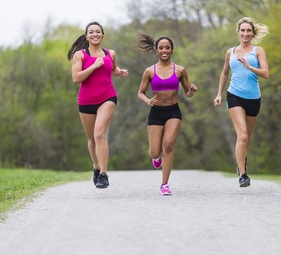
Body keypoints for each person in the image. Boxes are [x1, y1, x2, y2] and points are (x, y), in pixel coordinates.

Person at [67, 22, 129, 189]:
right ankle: (95, 166)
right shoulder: (80, 55)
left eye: (98, 31)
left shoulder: (110, 53)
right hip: (86, 101)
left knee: (99, 133)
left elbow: (112, 70)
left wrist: (120, 72)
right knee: (91, 139)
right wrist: (94, 66)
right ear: (86, 36)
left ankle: (103, 174)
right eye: (91, 32)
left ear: (102, 35)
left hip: (107, 97)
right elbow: (76, 78)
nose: (95, 34)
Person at [136, 34, 197, 195]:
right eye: (161, 47)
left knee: (168, 145)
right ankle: (157, 158)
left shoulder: (180, 70)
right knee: (155, 151)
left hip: (173, 111)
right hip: (155, 113)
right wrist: (147, 100)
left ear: (172, 50)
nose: (164, 50)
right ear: (156, 50)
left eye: (167, 47)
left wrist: (191, 90)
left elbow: (188, 93)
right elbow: (140, 93)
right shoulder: (149, 71)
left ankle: (164, 184)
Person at [214, 17, 269, 187]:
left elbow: (266, 74)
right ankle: (243, 175)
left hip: (253, 98)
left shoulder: (258, 51)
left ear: (252, 33)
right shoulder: (230, 52)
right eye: (242, 30)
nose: (245, 33)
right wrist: (219, 94)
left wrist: (249, 66)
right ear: (238, 32)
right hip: (234, 95)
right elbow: (224, 73)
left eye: (248, 30)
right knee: (242, 135)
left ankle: (242, 162)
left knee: (248, 137)